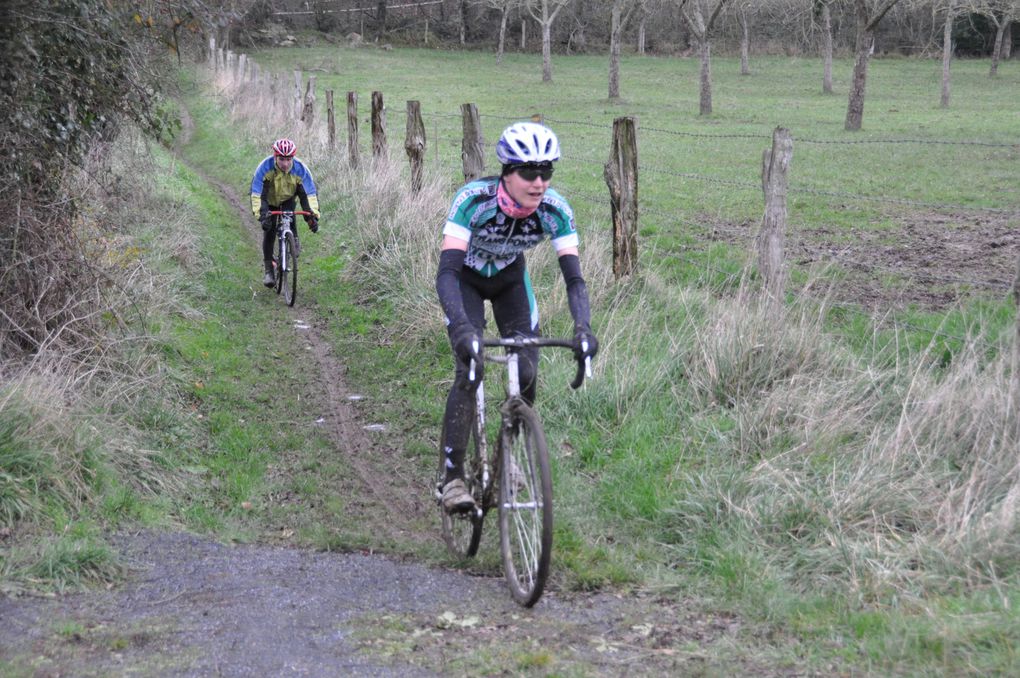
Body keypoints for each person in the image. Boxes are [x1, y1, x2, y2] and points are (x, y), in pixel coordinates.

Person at [436, 122, 598, 514]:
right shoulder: (473, 201)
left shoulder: (556, 211)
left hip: (510, 282)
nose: (539, 182)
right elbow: (447, 273)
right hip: (467, 282)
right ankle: (452, 477)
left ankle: (508, 456)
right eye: (529, 172)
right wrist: (461, 328)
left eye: (547, 172)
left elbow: (574, 279)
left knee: (526, 372)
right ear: (507, 171)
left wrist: (584, 328)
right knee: (470, 368)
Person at [250, 138, 321, 287]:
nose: (285, 163)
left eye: (289, 159)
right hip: (268, 202)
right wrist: (262, 215)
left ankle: (293, 238)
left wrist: (312, 216)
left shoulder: (300, 169)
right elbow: (257, 194)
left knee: (289, 215)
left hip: (288, 199)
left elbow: (308, 194)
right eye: (282, 159)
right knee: (269, 232)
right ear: (275, 156)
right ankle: (269, 270)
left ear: (293, 158)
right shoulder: (265, 168)